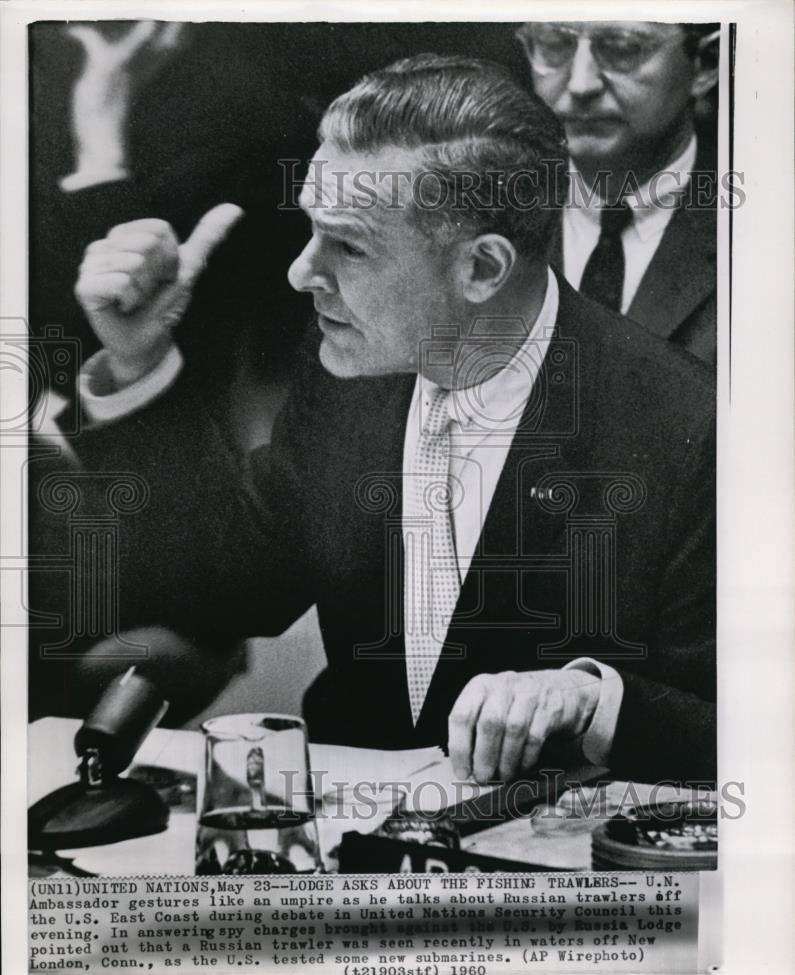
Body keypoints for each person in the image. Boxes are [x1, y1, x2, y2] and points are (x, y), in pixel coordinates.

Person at [65, 55, 715, 785]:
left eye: (347, 245)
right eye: (311, 230)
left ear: (482, 269)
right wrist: (137, 365)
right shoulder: (349, 370)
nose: (300, 272)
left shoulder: (686, 428)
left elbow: (740, 734)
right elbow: (224, 586)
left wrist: (594, 700)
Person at [517, 20, 720, 364]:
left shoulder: (765, 230)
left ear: (705, 64)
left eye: (623, 48)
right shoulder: (489, 211)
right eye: (555, 44)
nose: (582, 84)